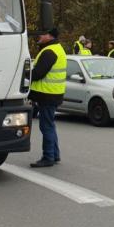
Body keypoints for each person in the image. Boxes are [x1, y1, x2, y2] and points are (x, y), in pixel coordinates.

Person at [29, 27, 67, 168]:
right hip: (52, 94)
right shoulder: (56, 48)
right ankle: (54, 155)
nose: (39, 36)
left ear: (50, 36)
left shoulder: (49, 51)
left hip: (48, 95)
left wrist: (25, 74)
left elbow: (38, 74)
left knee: (46, 126)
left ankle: (48, 157)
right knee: (50, 125)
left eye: (42, 33)